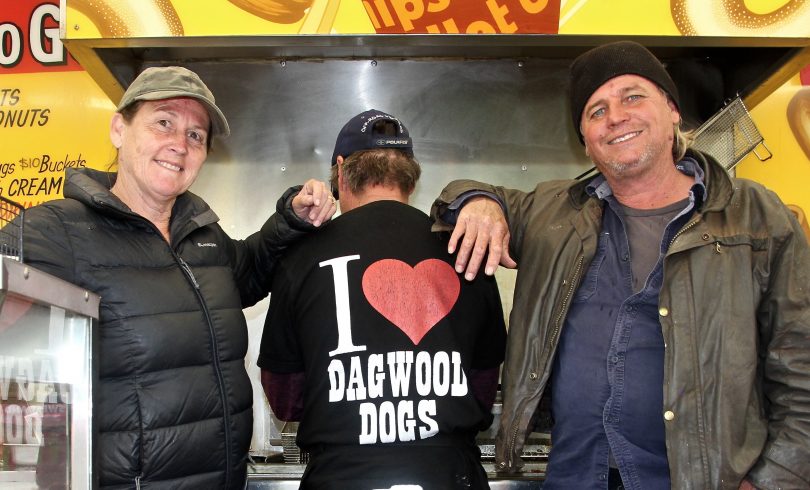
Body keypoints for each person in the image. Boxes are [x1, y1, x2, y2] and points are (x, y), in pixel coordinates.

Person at [430, 41, 810, 490]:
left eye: (633, 97)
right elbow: (458, 193)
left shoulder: (758, 217)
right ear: (587, 144)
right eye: (596, 111)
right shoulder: (554, 211)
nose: (616, 117)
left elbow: (801, 372)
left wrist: (773, 482)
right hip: (576, 476)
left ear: (672, 111)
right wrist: (480, 202)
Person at [17, 66, 336, 489]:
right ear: (119, 128)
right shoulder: (53, 232)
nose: (179, 145)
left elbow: (251, 270)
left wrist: (292, 218)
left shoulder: (201, 234)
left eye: (195, 135)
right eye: (163, 122)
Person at [258, 109, 507, 489]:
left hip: (340, 473)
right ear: (410, 174)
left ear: (340, 171)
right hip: (450, 473)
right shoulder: (465, 247)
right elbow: (485, 383)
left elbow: (286, 398)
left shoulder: (300, 257)